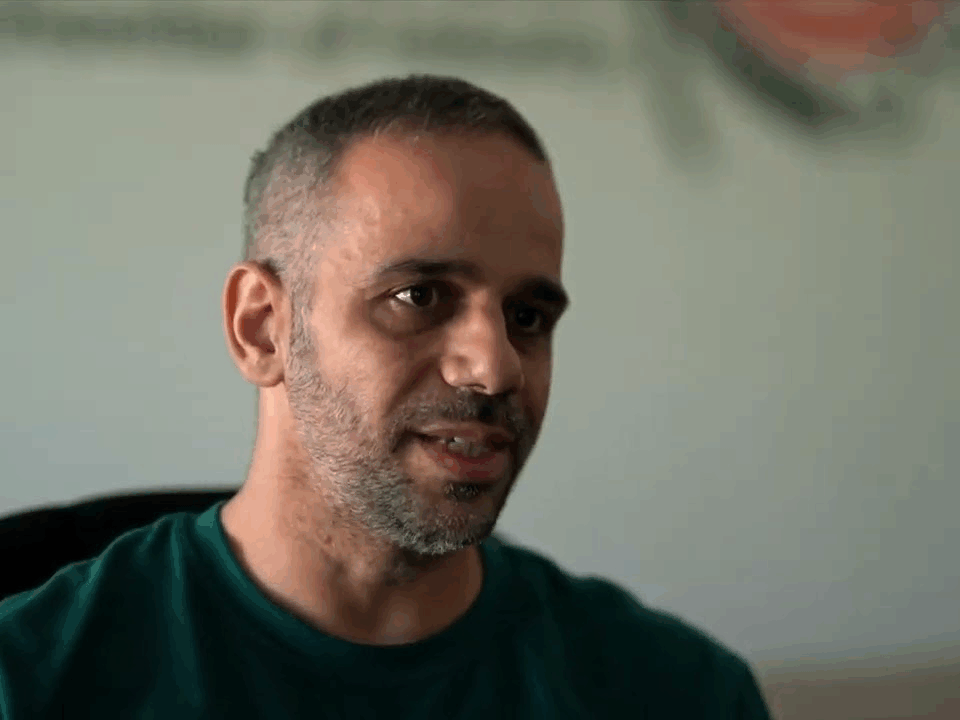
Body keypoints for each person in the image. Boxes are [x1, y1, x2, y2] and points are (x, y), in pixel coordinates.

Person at [0, 74, 772, 718]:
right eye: (418, 297)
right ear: (262, 329)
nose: (495, 368)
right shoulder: (31, 683)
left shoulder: (680, 694)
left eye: (528, 317)